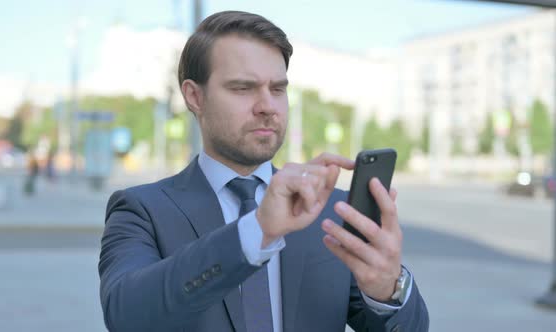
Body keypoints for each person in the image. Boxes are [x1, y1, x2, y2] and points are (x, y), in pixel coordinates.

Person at [98, 10, 428, 332]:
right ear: (194, 97)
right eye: (243, 88)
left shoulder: (332, 211)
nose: (267, 106)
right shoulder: (141, 210)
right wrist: (256, 232)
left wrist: (388, 289)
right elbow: (127, 315)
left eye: (278, 89)